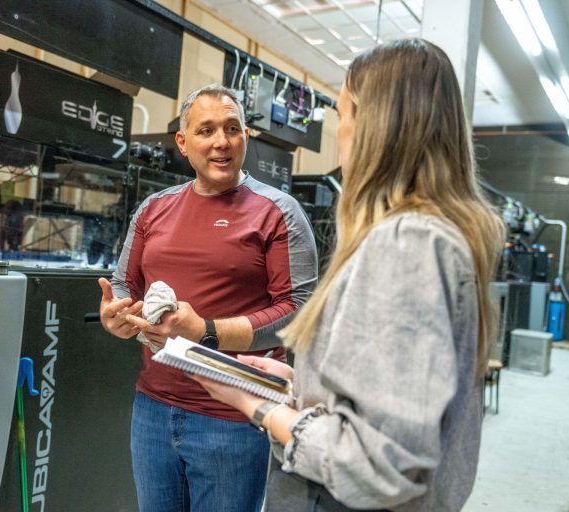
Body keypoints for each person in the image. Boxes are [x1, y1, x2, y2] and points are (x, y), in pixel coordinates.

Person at [194, 38, 505, 512]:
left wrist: (257, 407)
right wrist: (296, 384)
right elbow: (392, 396)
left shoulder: (408, 246)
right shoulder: (429, 238)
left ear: (375, 127)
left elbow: (378, 464)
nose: (339, 135)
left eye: (342, 116)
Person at [98, 84, 318, 512]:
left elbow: (298, 313)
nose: (221, 142)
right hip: (153, 409)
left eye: (232, 129)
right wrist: (117, 315)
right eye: (206, 130)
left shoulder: (278, 211)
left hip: (235, 417)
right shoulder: (153, 208)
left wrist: (206, 332)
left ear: (245, 137)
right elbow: (124, 285)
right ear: (183, 142)